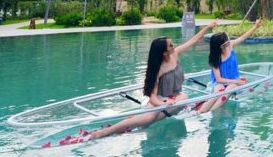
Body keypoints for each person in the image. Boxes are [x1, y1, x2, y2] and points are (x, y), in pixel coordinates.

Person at [89, 21, 219, 140]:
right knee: (151, 116)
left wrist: (207, 27)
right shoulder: (157, 69)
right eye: (171, 45)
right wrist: (164, 104)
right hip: (158, 99)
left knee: (184, 98)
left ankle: (143, 122)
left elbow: (194, 40)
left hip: (175, 98)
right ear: (164, 53)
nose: (174, 46)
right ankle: (106, 132)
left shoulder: (175, 54)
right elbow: (153, 98)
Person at [198, 19, 262, 114]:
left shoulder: (230, 46)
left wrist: (255, 27)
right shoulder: (215, 57)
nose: (229, 40)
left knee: (229, 89)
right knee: (218, 93)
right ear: (222, 46)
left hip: (233, 82)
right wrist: (236, 81)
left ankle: (209, 111)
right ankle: (201, 111)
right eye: (227, 40)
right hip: (221, 82)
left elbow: (243, 37)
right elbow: (219, 79)